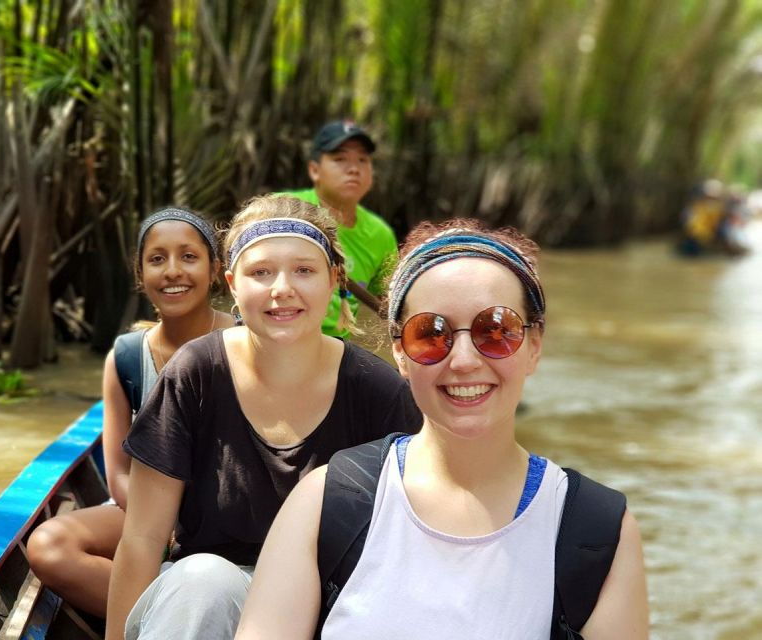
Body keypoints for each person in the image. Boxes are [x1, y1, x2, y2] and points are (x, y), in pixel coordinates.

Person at [237, 219, 649, 639]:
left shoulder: (597, 531)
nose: (465, 359)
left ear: (534, 345)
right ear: (399, 351)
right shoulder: (326, 503)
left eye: (496, 330)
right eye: (431, 334)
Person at [106, 195, 422, 640]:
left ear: (334, 280)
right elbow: (142, 538)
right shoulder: (196, 372)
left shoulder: (378, 389)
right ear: (233, 284)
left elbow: (408, 549)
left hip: (330, 608)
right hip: (211, 603)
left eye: (304, 270)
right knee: (201, 580)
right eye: (261, 273)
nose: (282, 288)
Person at [26, 207, 233, 617]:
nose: (173, 271)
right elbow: (119, 471)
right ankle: (171, 611)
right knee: (48, 546)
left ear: (215, 270)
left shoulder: (247, 340)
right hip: (146, 511)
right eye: (157, 259)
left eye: (189, 257)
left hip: (232, 513)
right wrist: (159, 525)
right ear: (140, 275)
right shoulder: (126, 355)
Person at [284, 119, 398, 337]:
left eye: (363, 160)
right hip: (280, 335)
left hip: (338, 348)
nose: (354, 169)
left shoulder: (380, 234)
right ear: (314, 170)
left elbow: (389, 305)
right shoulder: (285, 209)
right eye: (340, 159)